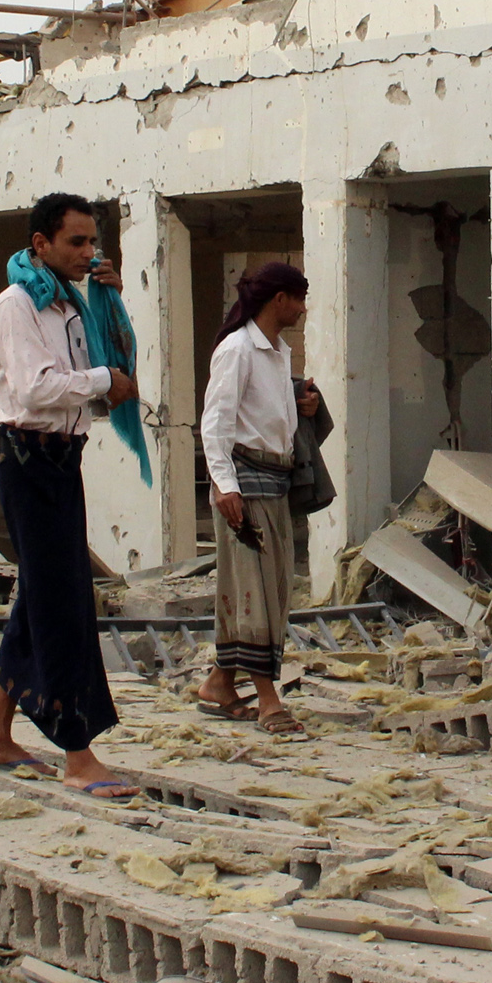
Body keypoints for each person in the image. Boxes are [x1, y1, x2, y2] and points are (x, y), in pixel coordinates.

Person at [0, 194, 140, 798]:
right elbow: (37, 389)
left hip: (63, 460)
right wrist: (100, 382)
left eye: (92, 242)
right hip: (29, 461)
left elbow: (91, 379)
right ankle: (78, 752)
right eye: (75, 242)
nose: (87, 252)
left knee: (38, 601)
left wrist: (106, 303)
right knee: (62, 609)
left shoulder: (67, 301)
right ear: (40, 244)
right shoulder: (16, 306)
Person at [198, 261, 322, 733]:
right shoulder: (236, 349)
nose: (303, 309)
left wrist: (301, 400)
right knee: (255, 596)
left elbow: (267, 407)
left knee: (268, 591)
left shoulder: (276, 351)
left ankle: (219, 683)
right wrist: (226, 486)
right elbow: (216, 422)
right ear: (279, 301)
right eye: (299, 299)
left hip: (276, 485)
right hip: (244, 488)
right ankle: (270, 701)